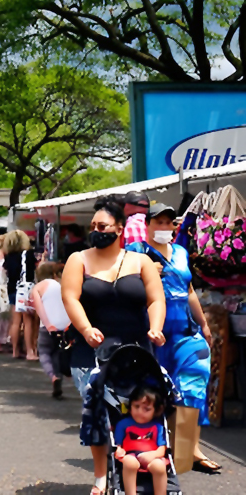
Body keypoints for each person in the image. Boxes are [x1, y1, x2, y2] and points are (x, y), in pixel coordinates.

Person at [61, 197, 166, 495]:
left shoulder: (141, 260)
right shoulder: (78, 259)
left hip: (135, 352)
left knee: (138, 413)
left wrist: (156, 327)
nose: (96, 230)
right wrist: (85, 328)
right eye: (92, 225)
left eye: (102, 225)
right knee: (97, 413)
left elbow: (156, 299)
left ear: (119, 228)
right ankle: (100, 477)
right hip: (91, 351)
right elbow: (70, 297)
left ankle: (134, 475)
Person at [127, 203, 220, 474]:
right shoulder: (135, 252)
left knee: (193, 385)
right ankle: (157, 449)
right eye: (159, 222)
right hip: (152, 333)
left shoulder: (180, 251)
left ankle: (189, 449)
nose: (165, 228)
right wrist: (143, 274)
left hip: (186, 331)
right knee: (158, 392)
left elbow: (189, 289)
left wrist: (203, 323)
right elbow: (121, 285)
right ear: (147, 226)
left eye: (169, 223)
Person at [113, 385, 169, 495]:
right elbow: (117, 444)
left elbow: (162, 448)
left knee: (159, 466)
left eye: (146, 409)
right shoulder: (123, 424)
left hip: (152, 456)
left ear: (156, 411)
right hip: (131, 454)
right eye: (136, 406)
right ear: (130, 407)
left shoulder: (157, 427)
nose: (140, 412)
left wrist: (153, 455)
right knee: (129, 463)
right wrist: (119, 450)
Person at [31, 261, 68, 399]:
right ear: (54, 274)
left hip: (48, 326)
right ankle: (59, 378)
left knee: (44, 352)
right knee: (57, 353)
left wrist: (47, 324)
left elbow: (39, 309)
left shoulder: (38, 288)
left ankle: (53, 377)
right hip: (64, 325)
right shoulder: (61, 286)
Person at [3, 230, 38, 360]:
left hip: (12, 288)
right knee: (28, 320)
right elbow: (32, 270)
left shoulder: (8, 256)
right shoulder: (27, 254)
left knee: (15, 322)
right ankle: (30, 352)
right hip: (24, 289)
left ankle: (15, 351)